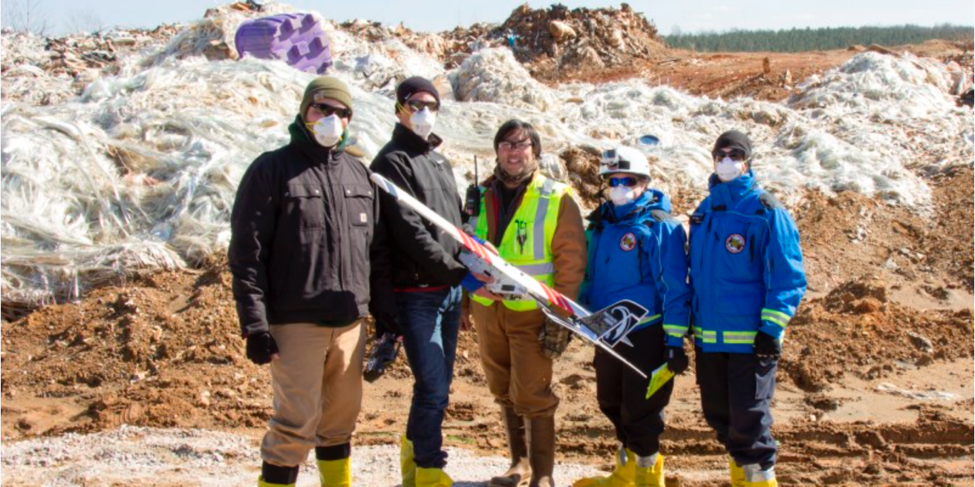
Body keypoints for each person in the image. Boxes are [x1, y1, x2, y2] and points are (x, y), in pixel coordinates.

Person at [229, 76, 393, 487]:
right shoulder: (272, 170)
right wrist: (255, 325)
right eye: (322, 109)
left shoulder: (359, 175)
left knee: (340, 420)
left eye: (340, 113)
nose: (330, 119)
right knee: (294, 425)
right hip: (295, 323)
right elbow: (247, 255)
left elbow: (376, 254)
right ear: (304, 111)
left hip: (350, 324)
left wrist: (387, 321)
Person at [463, 119, 587, 487]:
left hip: (532, 312)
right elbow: (464, 247)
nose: (513, 152)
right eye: (505, 144)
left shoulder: (556, 197)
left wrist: (561, 316)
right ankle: (519, 465)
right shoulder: (480, 196)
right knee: (502, 388)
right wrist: (467, 301)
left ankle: (543, 475)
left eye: (521, 145)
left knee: (532, 392)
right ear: (497, 151)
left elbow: (571, 262)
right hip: (489, 310)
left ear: (535, 151)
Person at [370, 76, 471, 487]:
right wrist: (452, 269)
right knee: (431, 385)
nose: (425, 112)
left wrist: (473, 253)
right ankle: (430, 466)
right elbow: (408, 231)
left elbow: (454, 223)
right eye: (416, 104)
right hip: (416, 292)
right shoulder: (391, 162)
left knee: (439, 386)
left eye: (432, 105)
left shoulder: (439, 161)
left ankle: (414, 464)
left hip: (448, 293)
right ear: (399, 108)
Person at [690, 130, 806, 487]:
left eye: (734, 153)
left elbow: (789, 277)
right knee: (719, 416)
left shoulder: (766, 211)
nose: (726, 159)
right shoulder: (704, 211)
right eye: (720, 153)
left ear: (748, 160)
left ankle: (761, 480)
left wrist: (772, 329)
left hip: (750, 341)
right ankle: (743, 480)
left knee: (750, 421)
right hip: (710, 338)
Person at [572, 146, 691, 487]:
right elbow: (588, 275)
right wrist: (579, 311)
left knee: (642, 411)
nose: (619, 186)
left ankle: (648, 476)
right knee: (610, 401)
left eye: (627, 180)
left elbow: (673, 287)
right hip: (607, 330)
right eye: (612, 180)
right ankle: (624, 473)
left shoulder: (659, 226)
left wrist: (673, 341)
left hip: (647, 332)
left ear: (643, 183)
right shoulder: (599, 223)